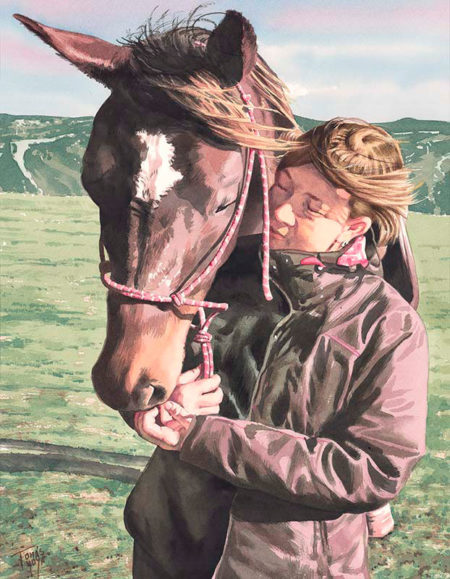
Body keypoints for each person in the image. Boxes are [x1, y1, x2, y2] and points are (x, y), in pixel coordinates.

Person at [133, 118, 428, 578]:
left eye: (312, 207)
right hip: (169, 542)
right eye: (283, 188)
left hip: (291, 565)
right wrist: (161, 404)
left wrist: (202, 436)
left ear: (353, 229)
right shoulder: (217, 272)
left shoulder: (388, 326)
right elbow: (148, 370)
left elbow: (372, 470)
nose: (282, 213)